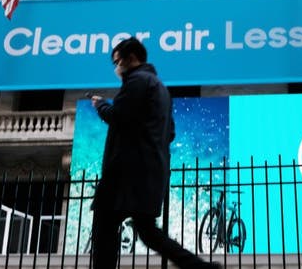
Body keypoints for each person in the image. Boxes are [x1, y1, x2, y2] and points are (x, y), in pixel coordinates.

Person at [90, 37, 219, 269]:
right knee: (148, 233)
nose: (116, 68)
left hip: (125, 174)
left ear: (131, 59)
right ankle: (202, 268)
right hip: (149, 175)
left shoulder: (137, 81)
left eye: (116, 62)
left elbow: (118, 117)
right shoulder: (160, 88)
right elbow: (169, 133)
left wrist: (101, 105)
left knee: (104, 231)